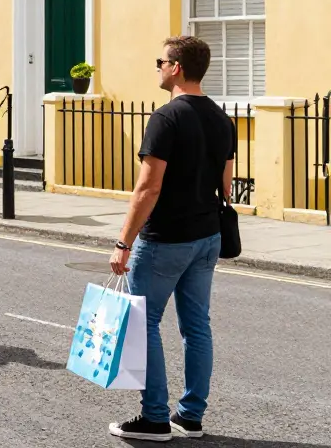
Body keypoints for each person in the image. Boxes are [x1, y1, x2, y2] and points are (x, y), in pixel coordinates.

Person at [106, 36, 234, 442]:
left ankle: (155, 418)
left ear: (176, 67)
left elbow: (148, 188)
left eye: (160, 60)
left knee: (143, 325)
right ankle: (190, 416)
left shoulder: (166, 117)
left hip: (165, 239)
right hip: (207, 235)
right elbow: (226, 186)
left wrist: (124, 242)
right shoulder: (222, 119)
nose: (158, 66)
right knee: (197, 326)